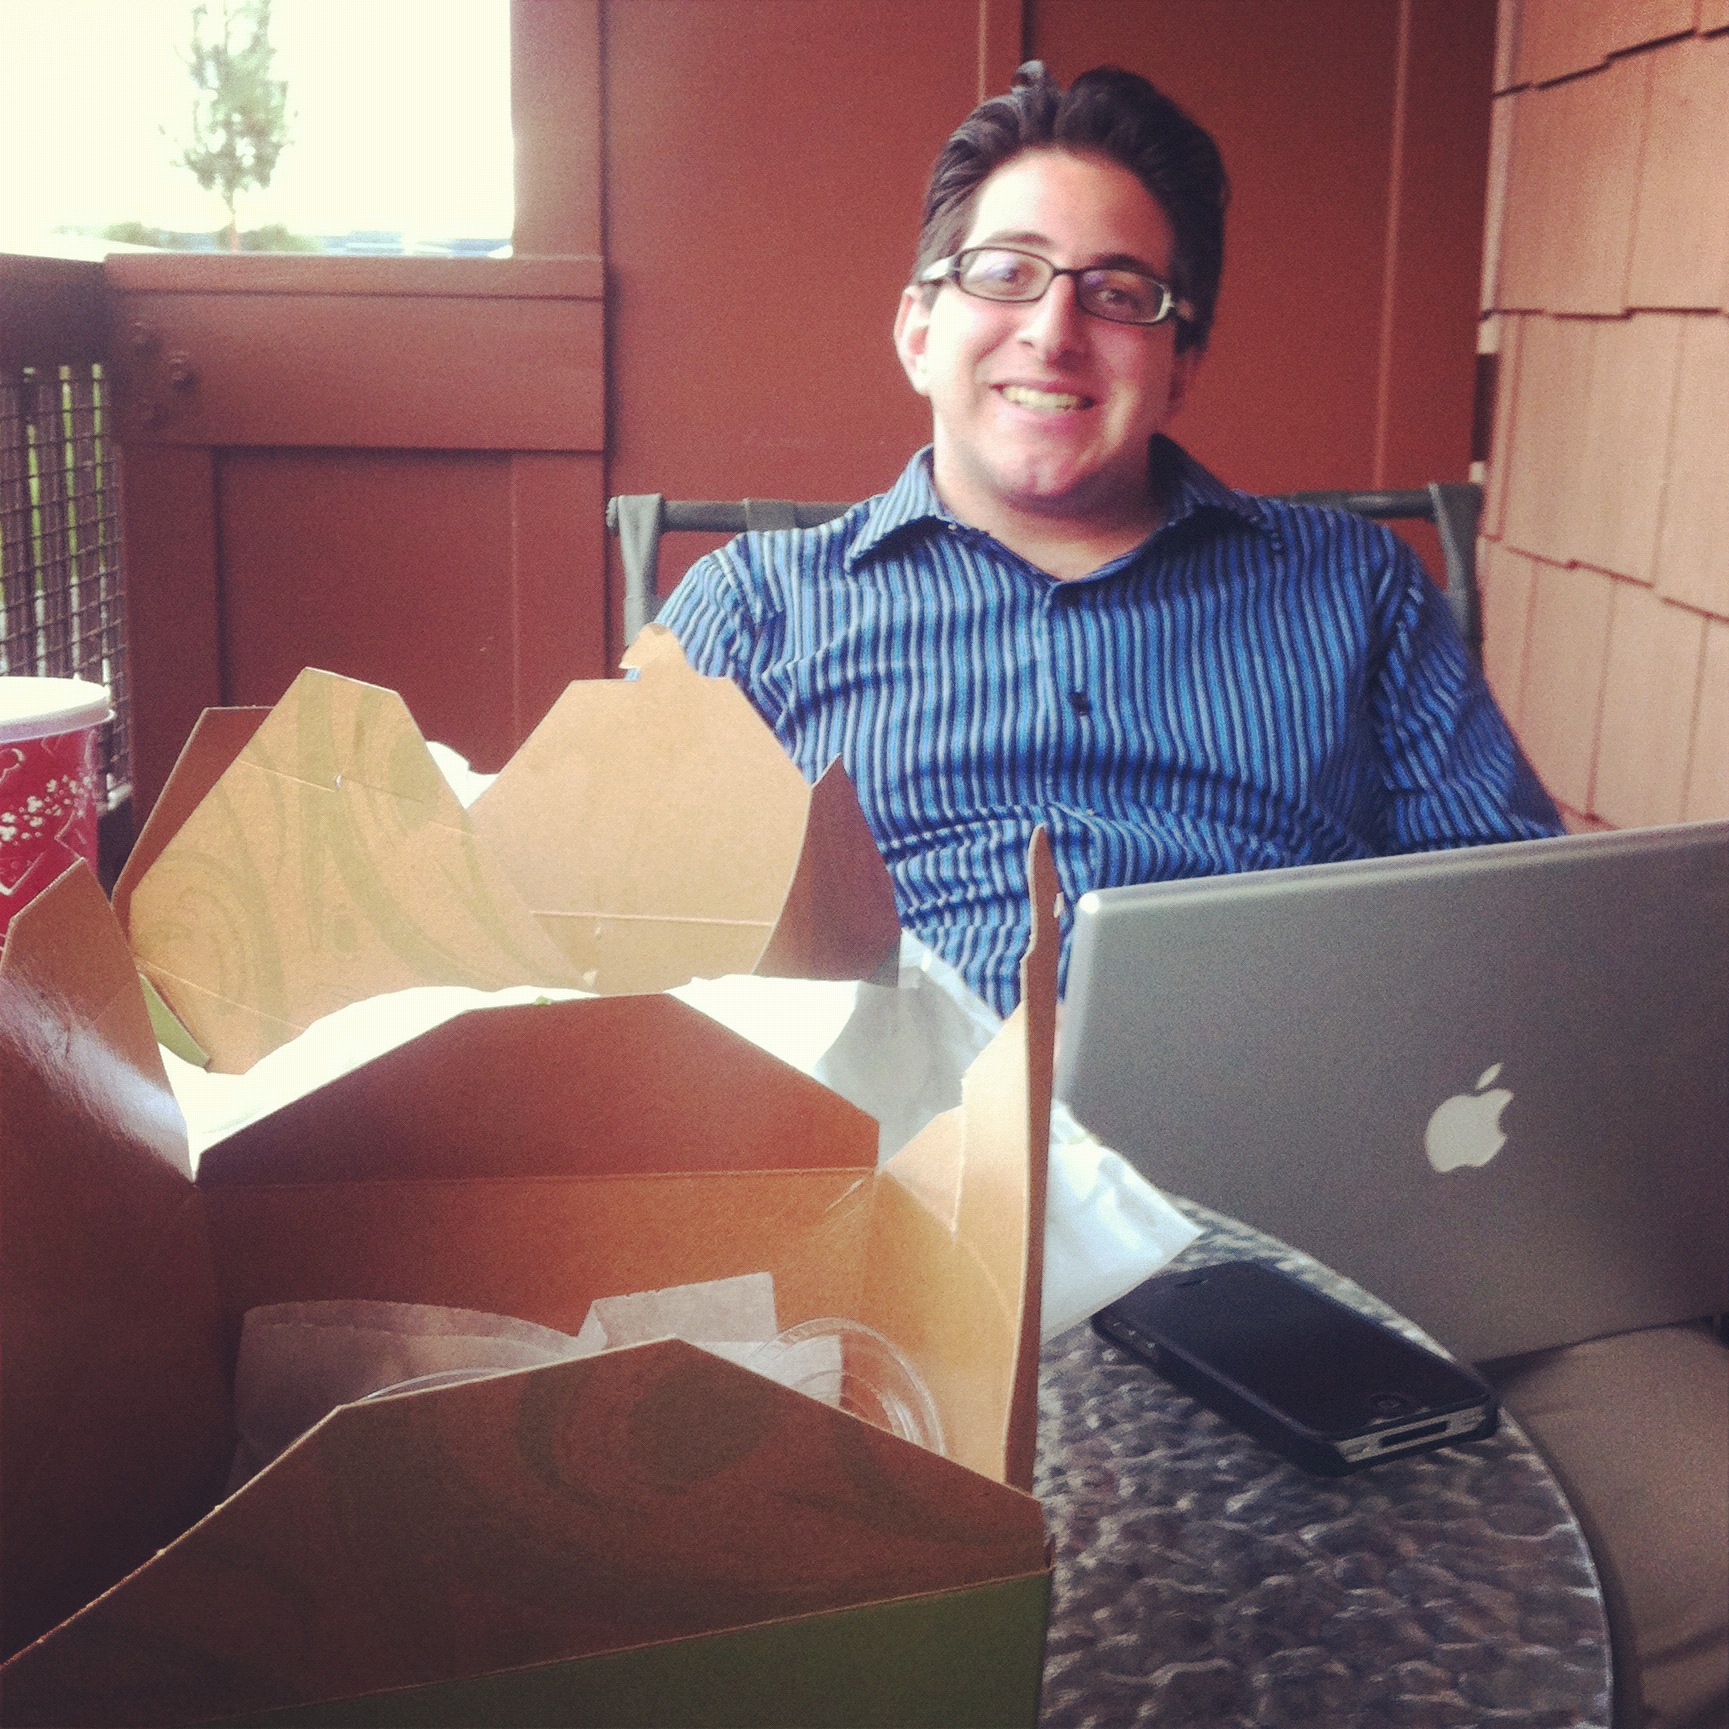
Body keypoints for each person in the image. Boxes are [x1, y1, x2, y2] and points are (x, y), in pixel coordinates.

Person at [659, 62, 1559, 1019]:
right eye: (1004, 273)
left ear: (1181, 368)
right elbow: (612, 944)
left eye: (1119, 293)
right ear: (918, 331)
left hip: (1266, 1088)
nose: (1053, 333)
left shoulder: (1356, 585)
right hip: (871, 1102)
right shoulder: (750, 605)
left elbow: (1508, 928)